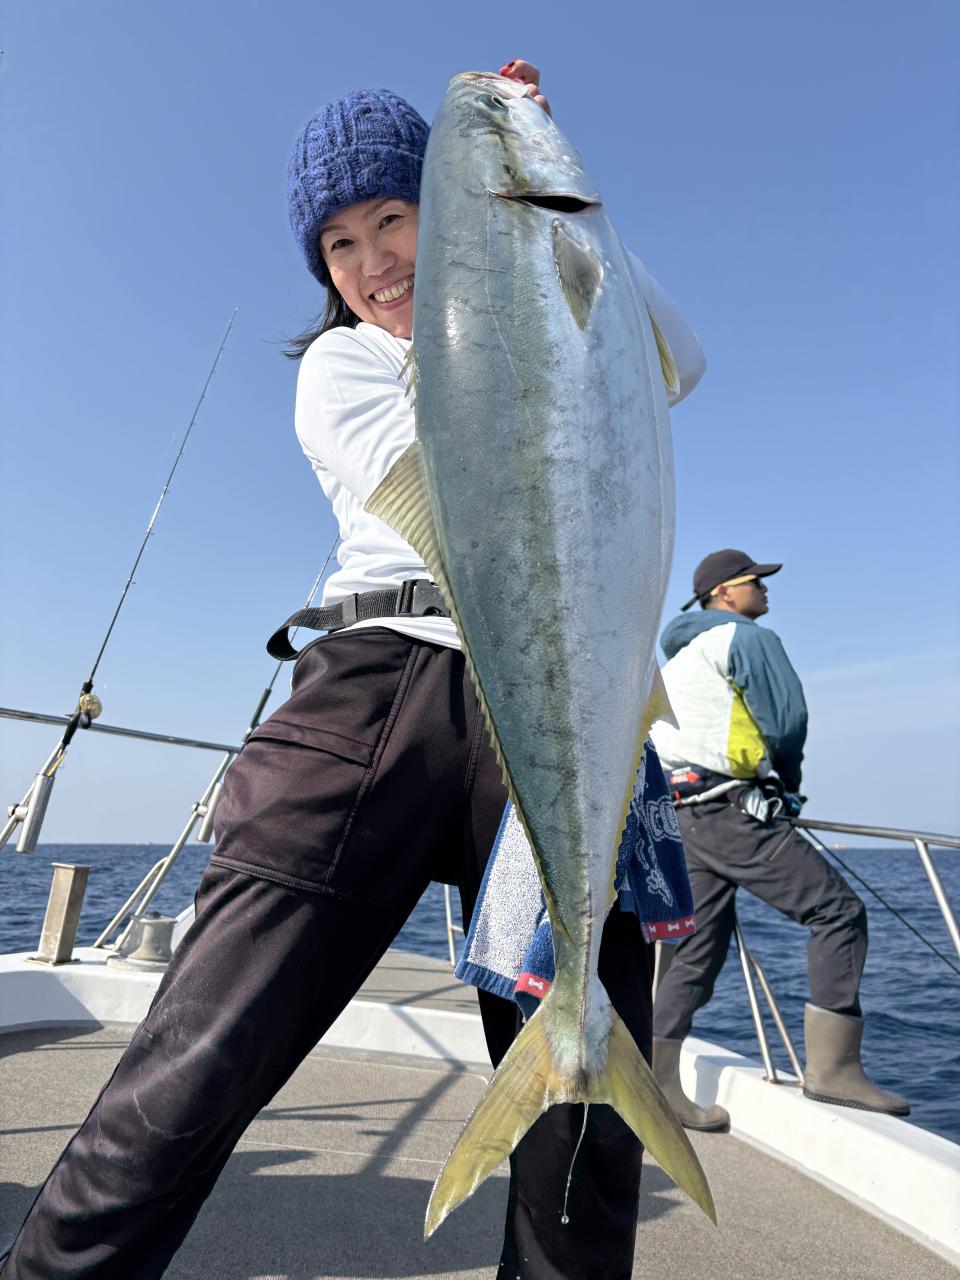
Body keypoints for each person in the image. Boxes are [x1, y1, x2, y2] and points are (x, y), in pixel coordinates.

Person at [0, 68, 706, 1280]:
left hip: (568, 708)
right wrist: (514, 290)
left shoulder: (556, 288)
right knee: (204, 1045)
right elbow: (467, 502)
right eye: (339, 244)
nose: (373, 261)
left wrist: (556, 220)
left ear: (454, 210)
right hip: (383, 686)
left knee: (582, 1122)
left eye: (394, 216)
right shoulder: (338, 368)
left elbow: (674, 359)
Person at [649, 548, 909, 1129]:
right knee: (838, 912)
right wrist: (787, 786)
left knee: (696, 949)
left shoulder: (682, 656)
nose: (765, 591)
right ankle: (833, 1071)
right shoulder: (746, 638)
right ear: (724, 594)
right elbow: (787, 721)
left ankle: (657, 1083)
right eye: (756, 582)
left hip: (682, 814)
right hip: (730, 813)